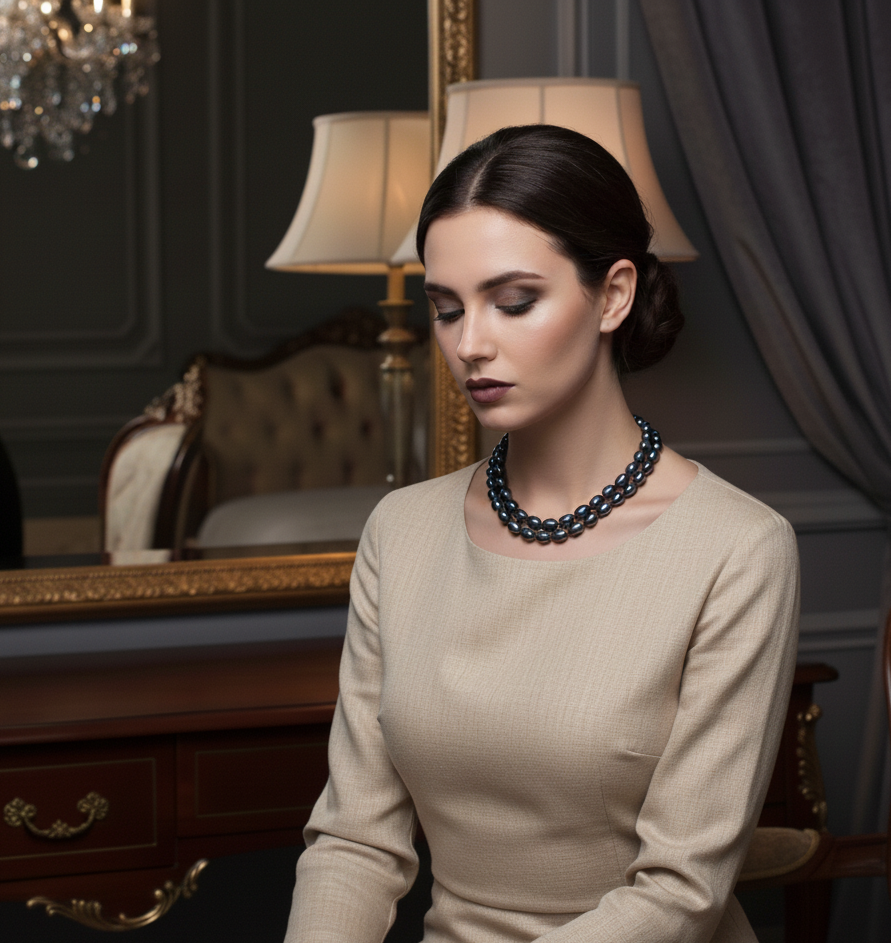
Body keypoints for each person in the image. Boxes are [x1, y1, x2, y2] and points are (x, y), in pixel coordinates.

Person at [283, 125, 800, 943]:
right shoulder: (401, 531)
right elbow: (354, 841)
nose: (469, 344)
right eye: (446, 309)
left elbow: (680, 892)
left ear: (613, 295)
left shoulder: (736, 548)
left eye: (514, 301)